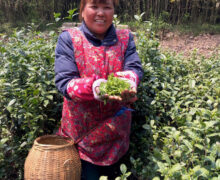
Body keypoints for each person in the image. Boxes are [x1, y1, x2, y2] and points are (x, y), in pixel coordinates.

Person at [54, 0, 143, 179]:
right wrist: (96, 87)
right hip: (82, 138)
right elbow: (65, 82)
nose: (101, 13)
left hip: (116, 135)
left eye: (107, 7)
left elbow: (134, 67)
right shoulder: (69, 39)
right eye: (94, 6)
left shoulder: (125, 38)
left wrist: (130, 81)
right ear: (83, 10)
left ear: (113, 11)